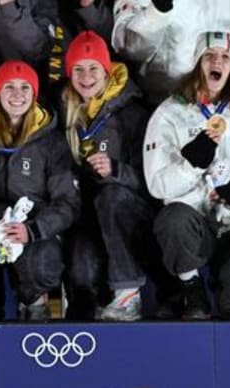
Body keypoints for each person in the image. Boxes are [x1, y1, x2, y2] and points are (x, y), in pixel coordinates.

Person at [143, 31, 230, 320]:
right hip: (194, 222)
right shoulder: (169, 113)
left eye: (225, 57)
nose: (218, 61)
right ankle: (190, 286)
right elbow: (157, 185)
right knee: (173, 220)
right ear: (197, 63)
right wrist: (190, 166)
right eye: (209, 55)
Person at [0, 60, 79, 323]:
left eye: (24, 87)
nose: (17, 95)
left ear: (34, 94)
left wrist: (33, 230)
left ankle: (34, 301)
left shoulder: (51, 140)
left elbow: (68, 202)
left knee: (44, 259)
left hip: (31, 221)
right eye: (9, 87)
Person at [59, 31, 155, 321]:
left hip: (127, 211)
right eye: (78, 69)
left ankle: (128, 295)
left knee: (111, 196)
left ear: (107, 70)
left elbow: (152, 181)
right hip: (84, 213)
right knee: (81, 268)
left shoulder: (133, 113)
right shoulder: (63, 111)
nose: (86, 77)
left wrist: (116, 171)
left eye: (93, 68)